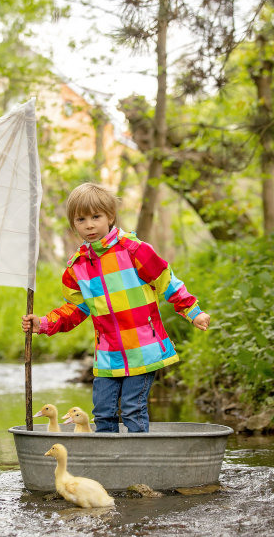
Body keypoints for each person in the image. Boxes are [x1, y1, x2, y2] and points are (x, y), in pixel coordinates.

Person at [22, 183, 210, 433]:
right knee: (102, 410)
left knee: (132, 407)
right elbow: (76, 309)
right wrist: (43, 323)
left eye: (96, 217)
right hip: (108, 352)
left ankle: (139, 462)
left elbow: (166, 280)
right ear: (73, 223)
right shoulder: (76, 267)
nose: (89, 225)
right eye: (81, 219)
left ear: (110, 216)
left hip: (142, 347)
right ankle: (108, 463)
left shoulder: (133, 250)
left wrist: (192, 311)